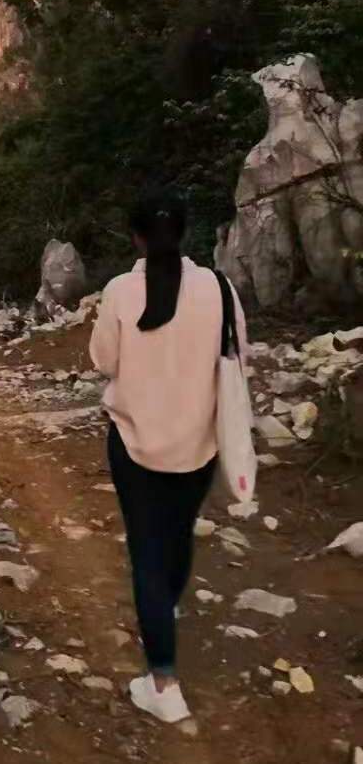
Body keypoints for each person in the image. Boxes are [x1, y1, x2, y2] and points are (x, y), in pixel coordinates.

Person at [89, 187, 247, 724]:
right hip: (199, 443)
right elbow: (238, 355)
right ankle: (167, 608)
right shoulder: (220, 287)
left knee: (147, 552)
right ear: (183, 232)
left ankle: (164, 682)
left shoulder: (119, 291)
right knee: (178, 534)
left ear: (136, 237)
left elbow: (103, 361)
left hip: (135, 442)